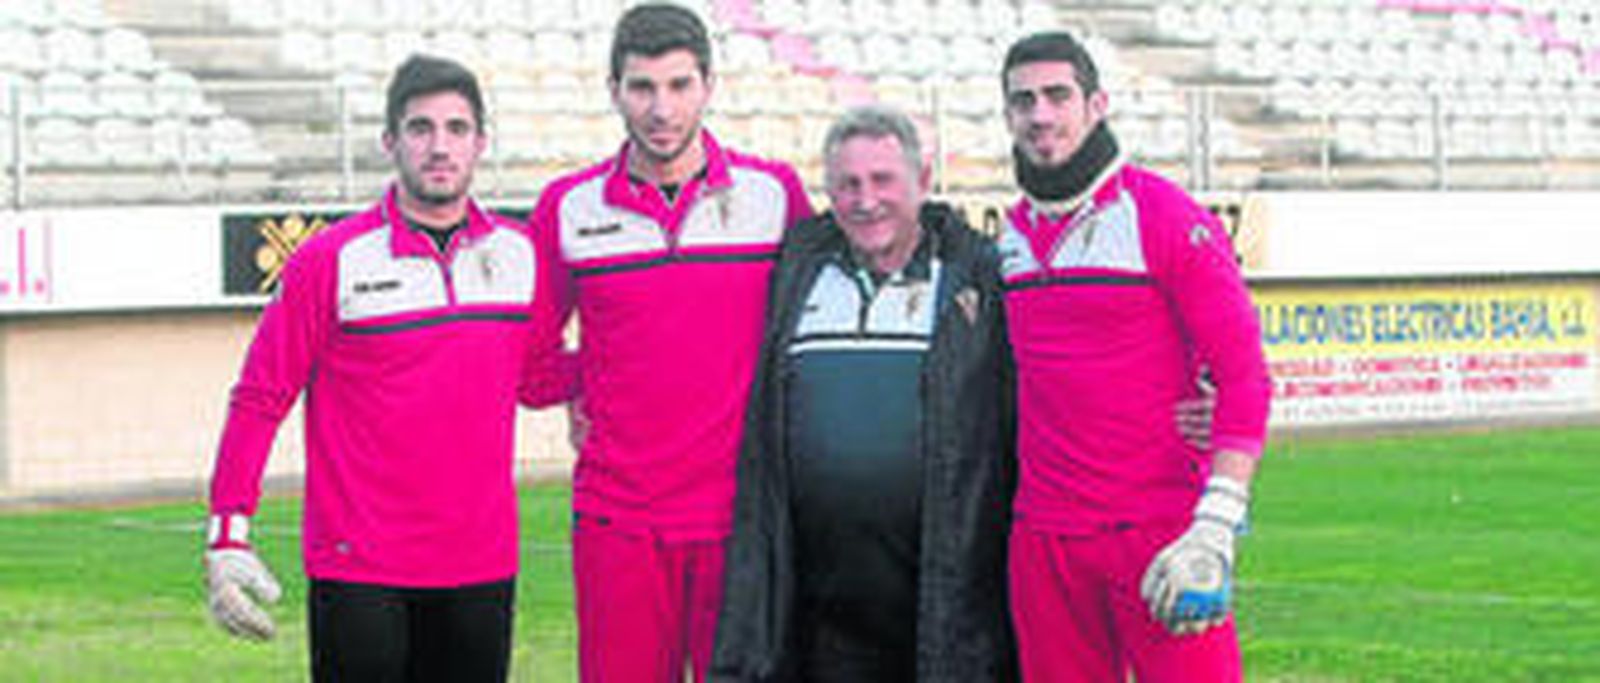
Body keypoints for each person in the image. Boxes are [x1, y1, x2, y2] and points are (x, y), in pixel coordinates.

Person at [203, 54, 560, 682]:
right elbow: (260, 397)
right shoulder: (328, 261)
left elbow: (535, 380)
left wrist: (629, 369)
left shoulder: (519, 254)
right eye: (421, 128)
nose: (439, 147)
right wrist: (228, 533)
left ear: (481, 142)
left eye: (456, 129)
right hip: (359, 566)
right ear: (390, 141)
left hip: (481, 566)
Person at [524, 4, 813, 681]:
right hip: (618, 521)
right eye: (642, 87)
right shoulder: (568, 207)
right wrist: (598, 376)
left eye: (680, 85)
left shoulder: (773, 195)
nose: (661, 108)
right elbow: (529, 367)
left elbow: (806, 345)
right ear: (613, 90)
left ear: (709, 85)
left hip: (742, 518)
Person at [995, 31, 1273, 682]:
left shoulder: (1164, 214)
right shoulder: (1009, 236)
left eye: (1058, 96)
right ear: (1008, 115)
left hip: (1160, 529)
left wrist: (1215, 525)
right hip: (1044, 538)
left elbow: (1244, 377)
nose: (1040, 115)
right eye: (1023, 100)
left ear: (1097, 105)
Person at [709, 105, 1017, 683]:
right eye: (848, 184)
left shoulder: (977, 276)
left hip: (939, 603)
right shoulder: (795, 272)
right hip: (817, 612)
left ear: (922, 180)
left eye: (882, 180)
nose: (865, 200)